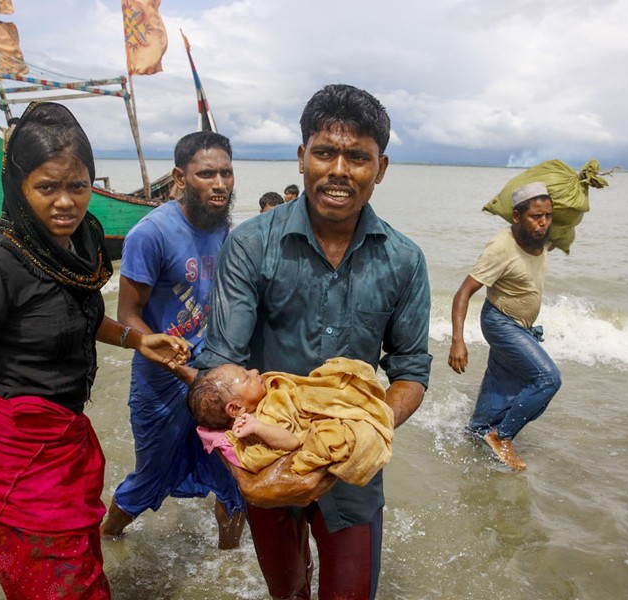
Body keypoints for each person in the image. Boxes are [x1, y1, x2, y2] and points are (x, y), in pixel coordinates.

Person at [0, 101, 191, 599]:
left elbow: (75, 316)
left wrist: (139, 339)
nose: (66, 203)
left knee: (80, 570)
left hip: (66, 445)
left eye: (78, 187)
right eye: (47, 188)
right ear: (18, 187)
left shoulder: (82, 242)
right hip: (14, 459)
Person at [195, 83, 432, 600]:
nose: (339, 170)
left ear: (381, 167)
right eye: (325, 153)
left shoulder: (404, 261)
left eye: (358, 157)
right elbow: (223, 359)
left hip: (350, 467)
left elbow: (411, 370)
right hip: (266, 455)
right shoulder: (252, 244)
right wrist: (249, 459)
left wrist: (365, 430)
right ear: (302, 158)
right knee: (287, 591)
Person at [100, 131, 245, 547]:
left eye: (226, 173)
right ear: (180, 178)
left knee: (234, 477)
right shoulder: (150, 234)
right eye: (206, 174)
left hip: (210, 376)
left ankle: (227, 569)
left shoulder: (223, 228)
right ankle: (108, 540)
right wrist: (180, 368)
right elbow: (126, 315)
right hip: (162, 381)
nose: (219, 184)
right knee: (150, 478)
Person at [447, 181, 562, 471]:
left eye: (547, 216)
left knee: (492, 399)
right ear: (516, 217)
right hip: (501, 323)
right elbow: (463, 292)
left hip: (521, 326)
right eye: (536, 217)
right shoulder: (501, 248)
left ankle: (478, 437)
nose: (543, 223)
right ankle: (502, 436)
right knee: (548, 379)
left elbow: (568, 221)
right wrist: (457, 341)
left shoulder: (541, 239)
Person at [188, 358, 394, 486]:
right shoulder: (261, 419)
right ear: (235, 409)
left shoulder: (265, 396)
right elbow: (290, 442)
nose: (255, 372)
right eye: (247, 378)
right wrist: (258, 427)